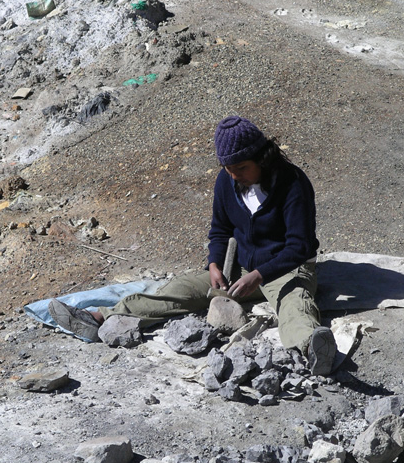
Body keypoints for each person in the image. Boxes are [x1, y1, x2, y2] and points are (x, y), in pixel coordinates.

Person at [49, 116, 336, 375]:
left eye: (242, 168)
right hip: (241, 268)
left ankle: (312, 347)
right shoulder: (227, 181)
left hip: (284, 269)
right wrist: (214, 264)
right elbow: (221, 230)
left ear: (263, 158)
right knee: (178, 290)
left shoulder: (293, 183)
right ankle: (98, 317)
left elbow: (300, 246)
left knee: (294, 304)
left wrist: (259, 276)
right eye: (228, 168)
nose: (234, 175)